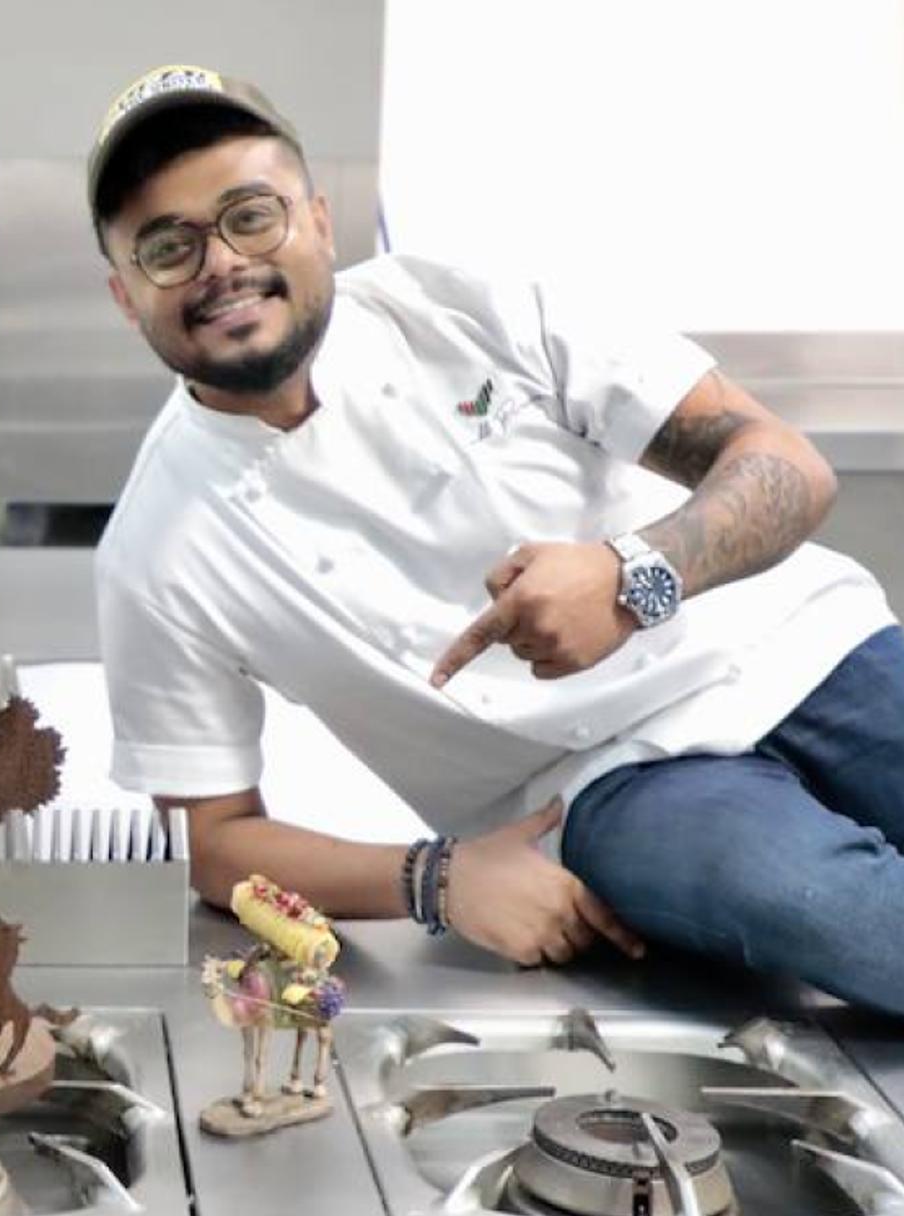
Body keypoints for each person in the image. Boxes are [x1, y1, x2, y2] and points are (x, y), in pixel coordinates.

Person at [87, 65, 904, 1012]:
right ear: (124, 294)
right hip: (606, 786)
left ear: (317, 220)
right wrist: (435, 879)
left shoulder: (464, 304)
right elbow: (215, 842)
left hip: (801, 644)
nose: (220, 262)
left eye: (250, 215)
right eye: (167, 245)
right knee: (858, 925)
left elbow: (787, 466)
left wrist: (635, 576)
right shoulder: (158, 548)